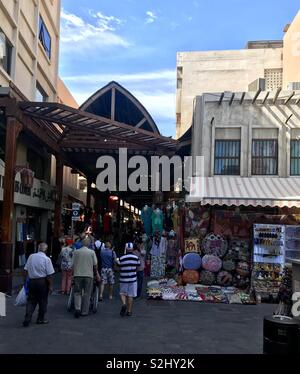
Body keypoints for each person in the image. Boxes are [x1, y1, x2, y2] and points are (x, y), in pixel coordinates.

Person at [22, 243, 55, 327]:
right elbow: (50, 274)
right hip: (42, 282)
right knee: (43, 301)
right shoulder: (47, 259)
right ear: (46, 250)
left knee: (31, 300)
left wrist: (25, 280)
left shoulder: (31, 256)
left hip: (32, 281)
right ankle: (40, 319)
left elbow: (25, 270)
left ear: (38, 248)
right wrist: (51, 286)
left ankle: (27, 318)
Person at [71, 237, 100, 318]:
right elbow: (95, 264)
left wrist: (72, 273)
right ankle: (84, 311)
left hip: (78, 274)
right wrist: (96, 273)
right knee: (87, 293)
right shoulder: (92, 252)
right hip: (88, 275)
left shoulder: (76, 252)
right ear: (89, 244)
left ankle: (77, 308)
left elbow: (72, 265)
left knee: (77, 292)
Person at [117, 242, 140, 317]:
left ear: (126, 249)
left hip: (123, 278)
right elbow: (137, 268)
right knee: (131, 295)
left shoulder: (122, 258)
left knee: (123, 293)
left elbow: (118, 267)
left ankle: (124, 304)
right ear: (132, 249)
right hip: (132, 279)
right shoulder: (136, 258)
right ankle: (129, 311)